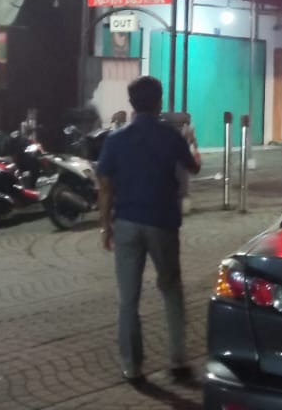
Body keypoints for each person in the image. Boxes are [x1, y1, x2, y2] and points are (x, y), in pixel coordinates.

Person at [97, 76, 201, 384]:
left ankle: (132, 366)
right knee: (171, 290)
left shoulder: (116, 140)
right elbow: (193, 167)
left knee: (128, 299)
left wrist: (105, 226)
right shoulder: (170, 136)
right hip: (162, 222)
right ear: (159, 101)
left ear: (132, 104)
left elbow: (105, 187)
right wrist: (193, 144)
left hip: (127, 222)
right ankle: (178, 359)